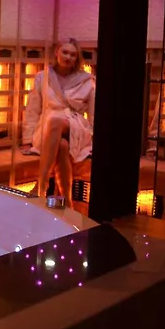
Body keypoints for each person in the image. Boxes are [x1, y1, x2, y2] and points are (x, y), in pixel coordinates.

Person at [22, 38, 96, 205]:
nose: (68, 57)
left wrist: (94, 143)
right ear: (57, 53)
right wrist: (27, 139)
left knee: (56, 121)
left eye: (73, 55)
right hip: (47, 128)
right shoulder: (43, 77)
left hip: (76, 126)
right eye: (65, 52)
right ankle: (67, 203)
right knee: (62, 145)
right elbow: (33, 109)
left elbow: (94, 115)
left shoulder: (87, 81)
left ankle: (41, 185)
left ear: (77, 58)